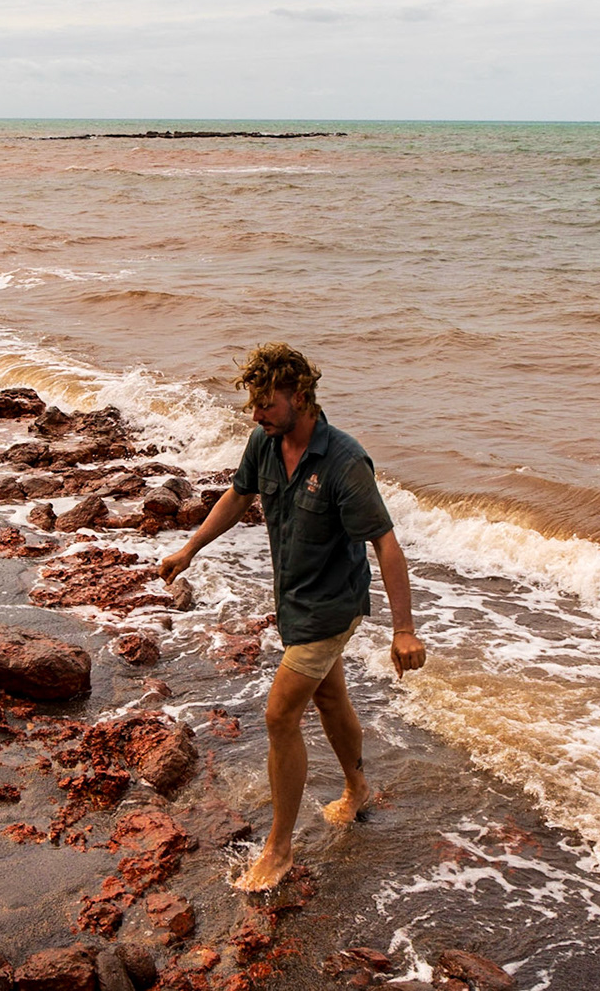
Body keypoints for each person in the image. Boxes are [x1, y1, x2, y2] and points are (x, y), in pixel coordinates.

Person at [158, 343, 426, 892]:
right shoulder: (266, 440)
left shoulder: (344, 461)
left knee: (280, 716)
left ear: (300, 397)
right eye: (253, 407)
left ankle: (278, 850)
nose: (256, 417)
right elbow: (238, 496)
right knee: (330, 697)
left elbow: (386, 543)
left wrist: (403, 630)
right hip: (293, 600)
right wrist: (191, 549)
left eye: (266, 405)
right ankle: (358, 790)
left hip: (332, 605)